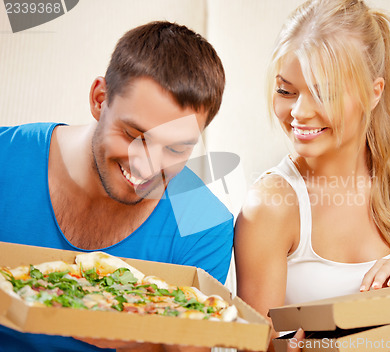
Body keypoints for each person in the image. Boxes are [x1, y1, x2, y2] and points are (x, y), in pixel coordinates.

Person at [234, 0, 390, 351]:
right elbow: (254, 346)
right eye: (285, 91)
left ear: (373, 93)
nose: (299, 112)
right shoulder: (271, 206)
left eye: (324, 92)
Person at [0, 21, 233, 351]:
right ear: (99, 98)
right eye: (134, 135)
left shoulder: (205, 225)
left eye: (177, 148)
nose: (147, 165)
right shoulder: (5, 158)